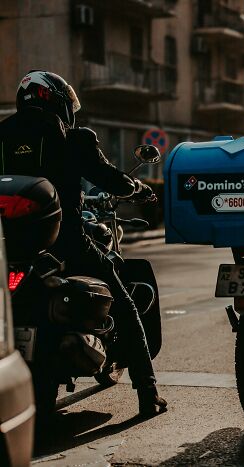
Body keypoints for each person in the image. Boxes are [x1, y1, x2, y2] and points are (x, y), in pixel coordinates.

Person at [0, 70, 167, 416]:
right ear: (56, 102)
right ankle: (148, 393)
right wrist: (140, 189)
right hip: (67, 244)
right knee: (125, 304)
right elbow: (110, 178)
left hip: (7, 248)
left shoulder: (1, 134)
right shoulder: (75, 138)